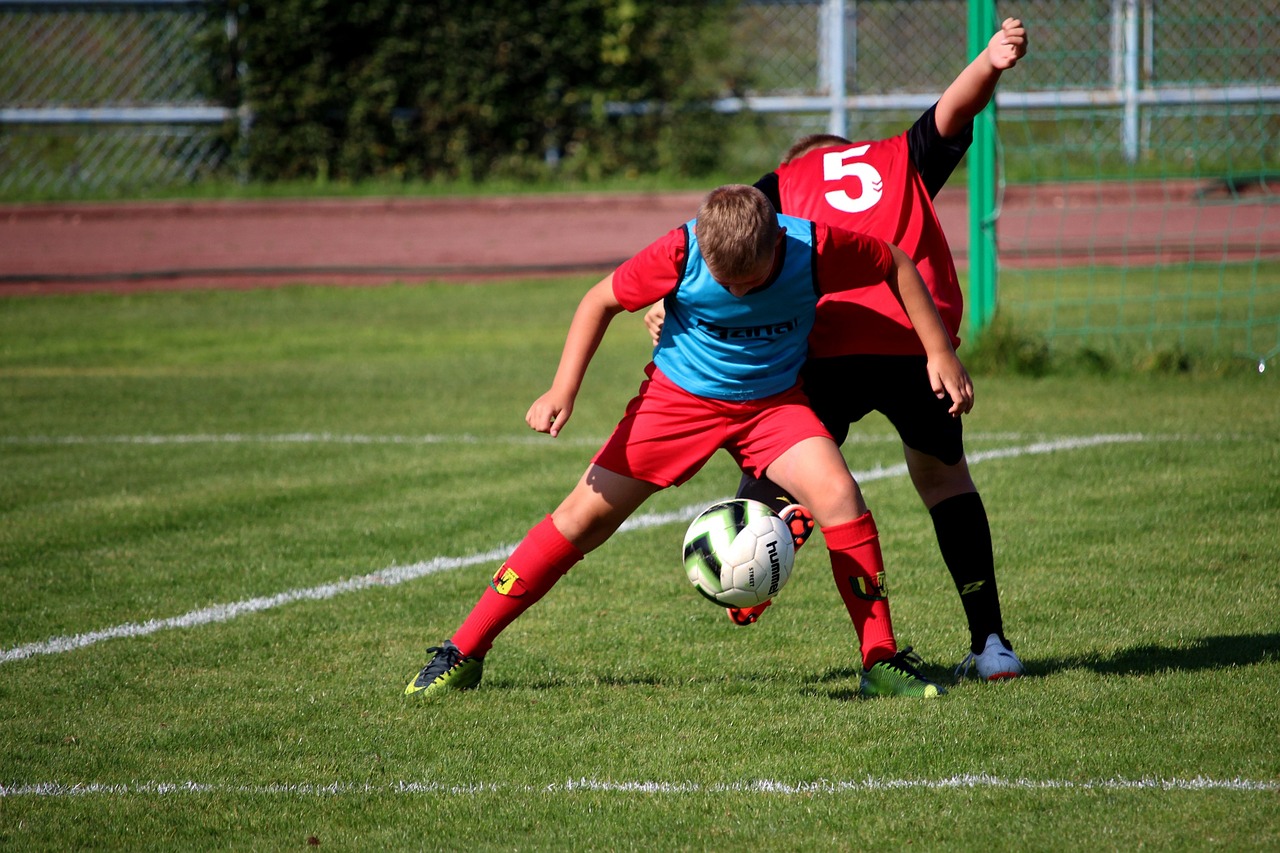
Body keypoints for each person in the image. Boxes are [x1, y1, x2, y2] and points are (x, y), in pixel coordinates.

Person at [405, 184, 973, 701]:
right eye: (726, 283)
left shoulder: (815, 248)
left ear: (777, 238)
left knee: (841, 498)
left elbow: (895, 263)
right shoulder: (678, 252)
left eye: (750, 280)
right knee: (581, 519)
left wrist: (939, 351)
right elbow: (598, 300)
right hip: (678, 404)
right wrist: (563, 389)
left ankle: (880, 659)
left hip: (774, 406)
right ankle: (463, 651)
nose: (738, 291)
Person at [643, 18, 1028, 681]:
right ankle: (991, 643)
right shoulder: (895, 159)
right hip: (912, 341)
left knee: (781, 457)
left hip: (823, 348)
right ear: (850, 150)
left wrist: (665, 299)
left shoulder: (782, 185)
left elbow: (711, 236)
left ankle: (757, 559)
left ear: (799, 160)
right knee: (942, 479)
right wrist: (991, 60)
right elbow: (955, 108)